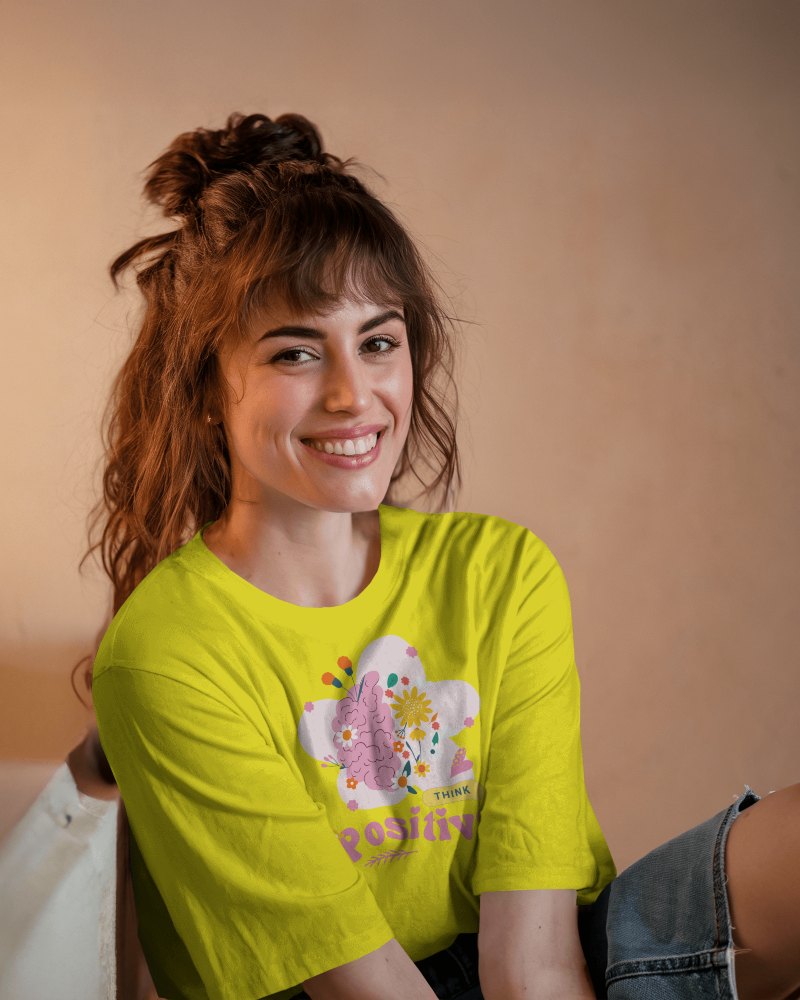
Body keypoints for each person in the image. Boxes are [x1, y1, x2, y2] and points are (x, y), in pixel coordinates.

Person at [85, 112, 800, 1000]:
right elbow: (361, 986)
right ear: (203, 391)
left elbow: (532, 958)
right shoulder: (167, 650)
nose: (354, 396)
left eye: (378, 342)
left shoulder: (500, 572)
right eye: (296, 352)